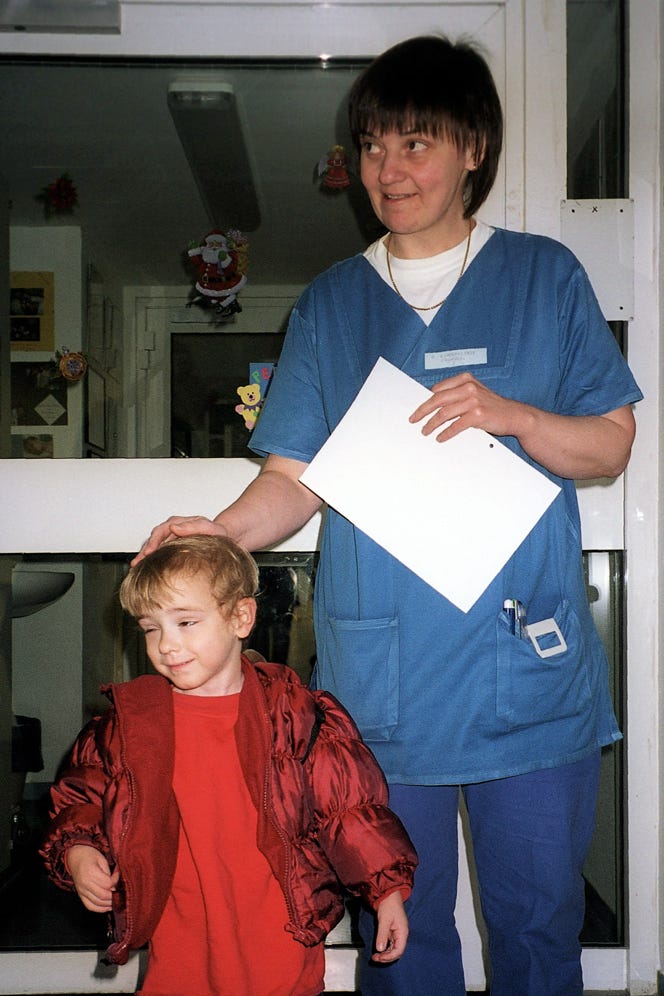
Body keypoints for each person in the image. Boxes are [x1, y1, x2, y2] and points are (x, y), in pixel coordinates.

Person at [134, 34, 642, 996]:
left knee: (538, 931)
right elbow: (295, 479)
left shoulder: (546, 278)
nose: (389, 170)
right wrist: (218, 532)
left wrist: (514, 417)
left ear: (473, 149)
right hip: (384, 682)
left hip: (521, 671)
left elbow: (611, 446)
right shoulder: (331, 305)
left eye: (417, 143)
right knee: (400, 941)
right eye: (372, 147)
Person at [41, 535, 417, 996]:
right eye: (151, 628)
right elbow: (82, 797)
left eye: (185, 622)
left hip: (279, 924)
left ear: (241, 617)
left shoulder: (295, 716)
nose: (166, 644)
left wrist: (386, 892)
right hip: (180, 928)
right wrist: (79, 852)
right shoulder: (131, 723)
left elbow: (350, 812)